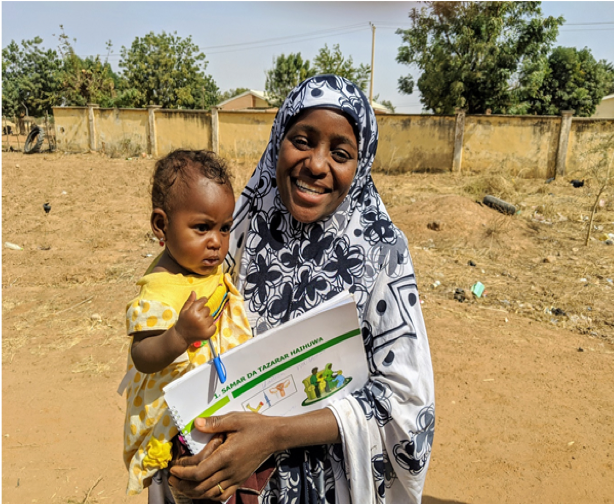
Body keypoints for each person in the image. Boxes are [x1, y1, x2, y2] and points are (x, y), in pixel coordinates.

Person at [168, 75, 435, 503]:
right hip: (232, 479)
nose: (315, 164)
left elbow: (404, 401)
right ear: (278, 140)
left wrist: (275, 436)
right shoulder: (239, 227)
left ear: (361, 164)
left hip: (329, 485)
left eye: (341, 153)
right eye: (303, 140)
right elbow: (187, 340)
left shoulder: (381, 252)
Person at [121, 150, 252, 498]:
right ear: (161, 225)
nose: (217, 242)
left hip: (215, 404)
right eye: (202, 227)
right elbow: (143, 355)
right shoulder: (160, 291)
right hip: (176, 426)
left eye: (225, 228)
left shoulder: (202, 269)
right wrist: (179, 334)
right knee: (192, 485)